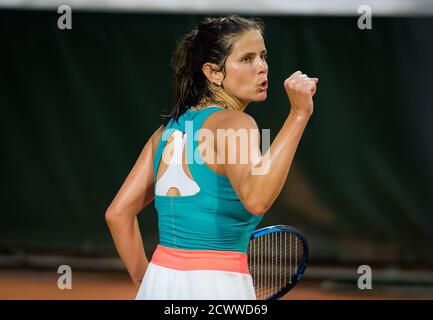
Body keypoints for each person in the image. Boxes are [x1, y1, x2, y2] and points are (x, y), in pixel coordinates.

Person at [105, 15, 318, 300]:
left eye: (263, 56)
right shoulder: (236, 124)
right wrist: (299, 115)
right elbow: (256, 199)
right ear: (213, 73)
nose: (262, 67)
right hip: (218, 286)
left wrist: (148, 284)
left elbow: (117, 214)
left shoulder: (166, 130)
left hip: (159, 280)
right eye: (247, 59)